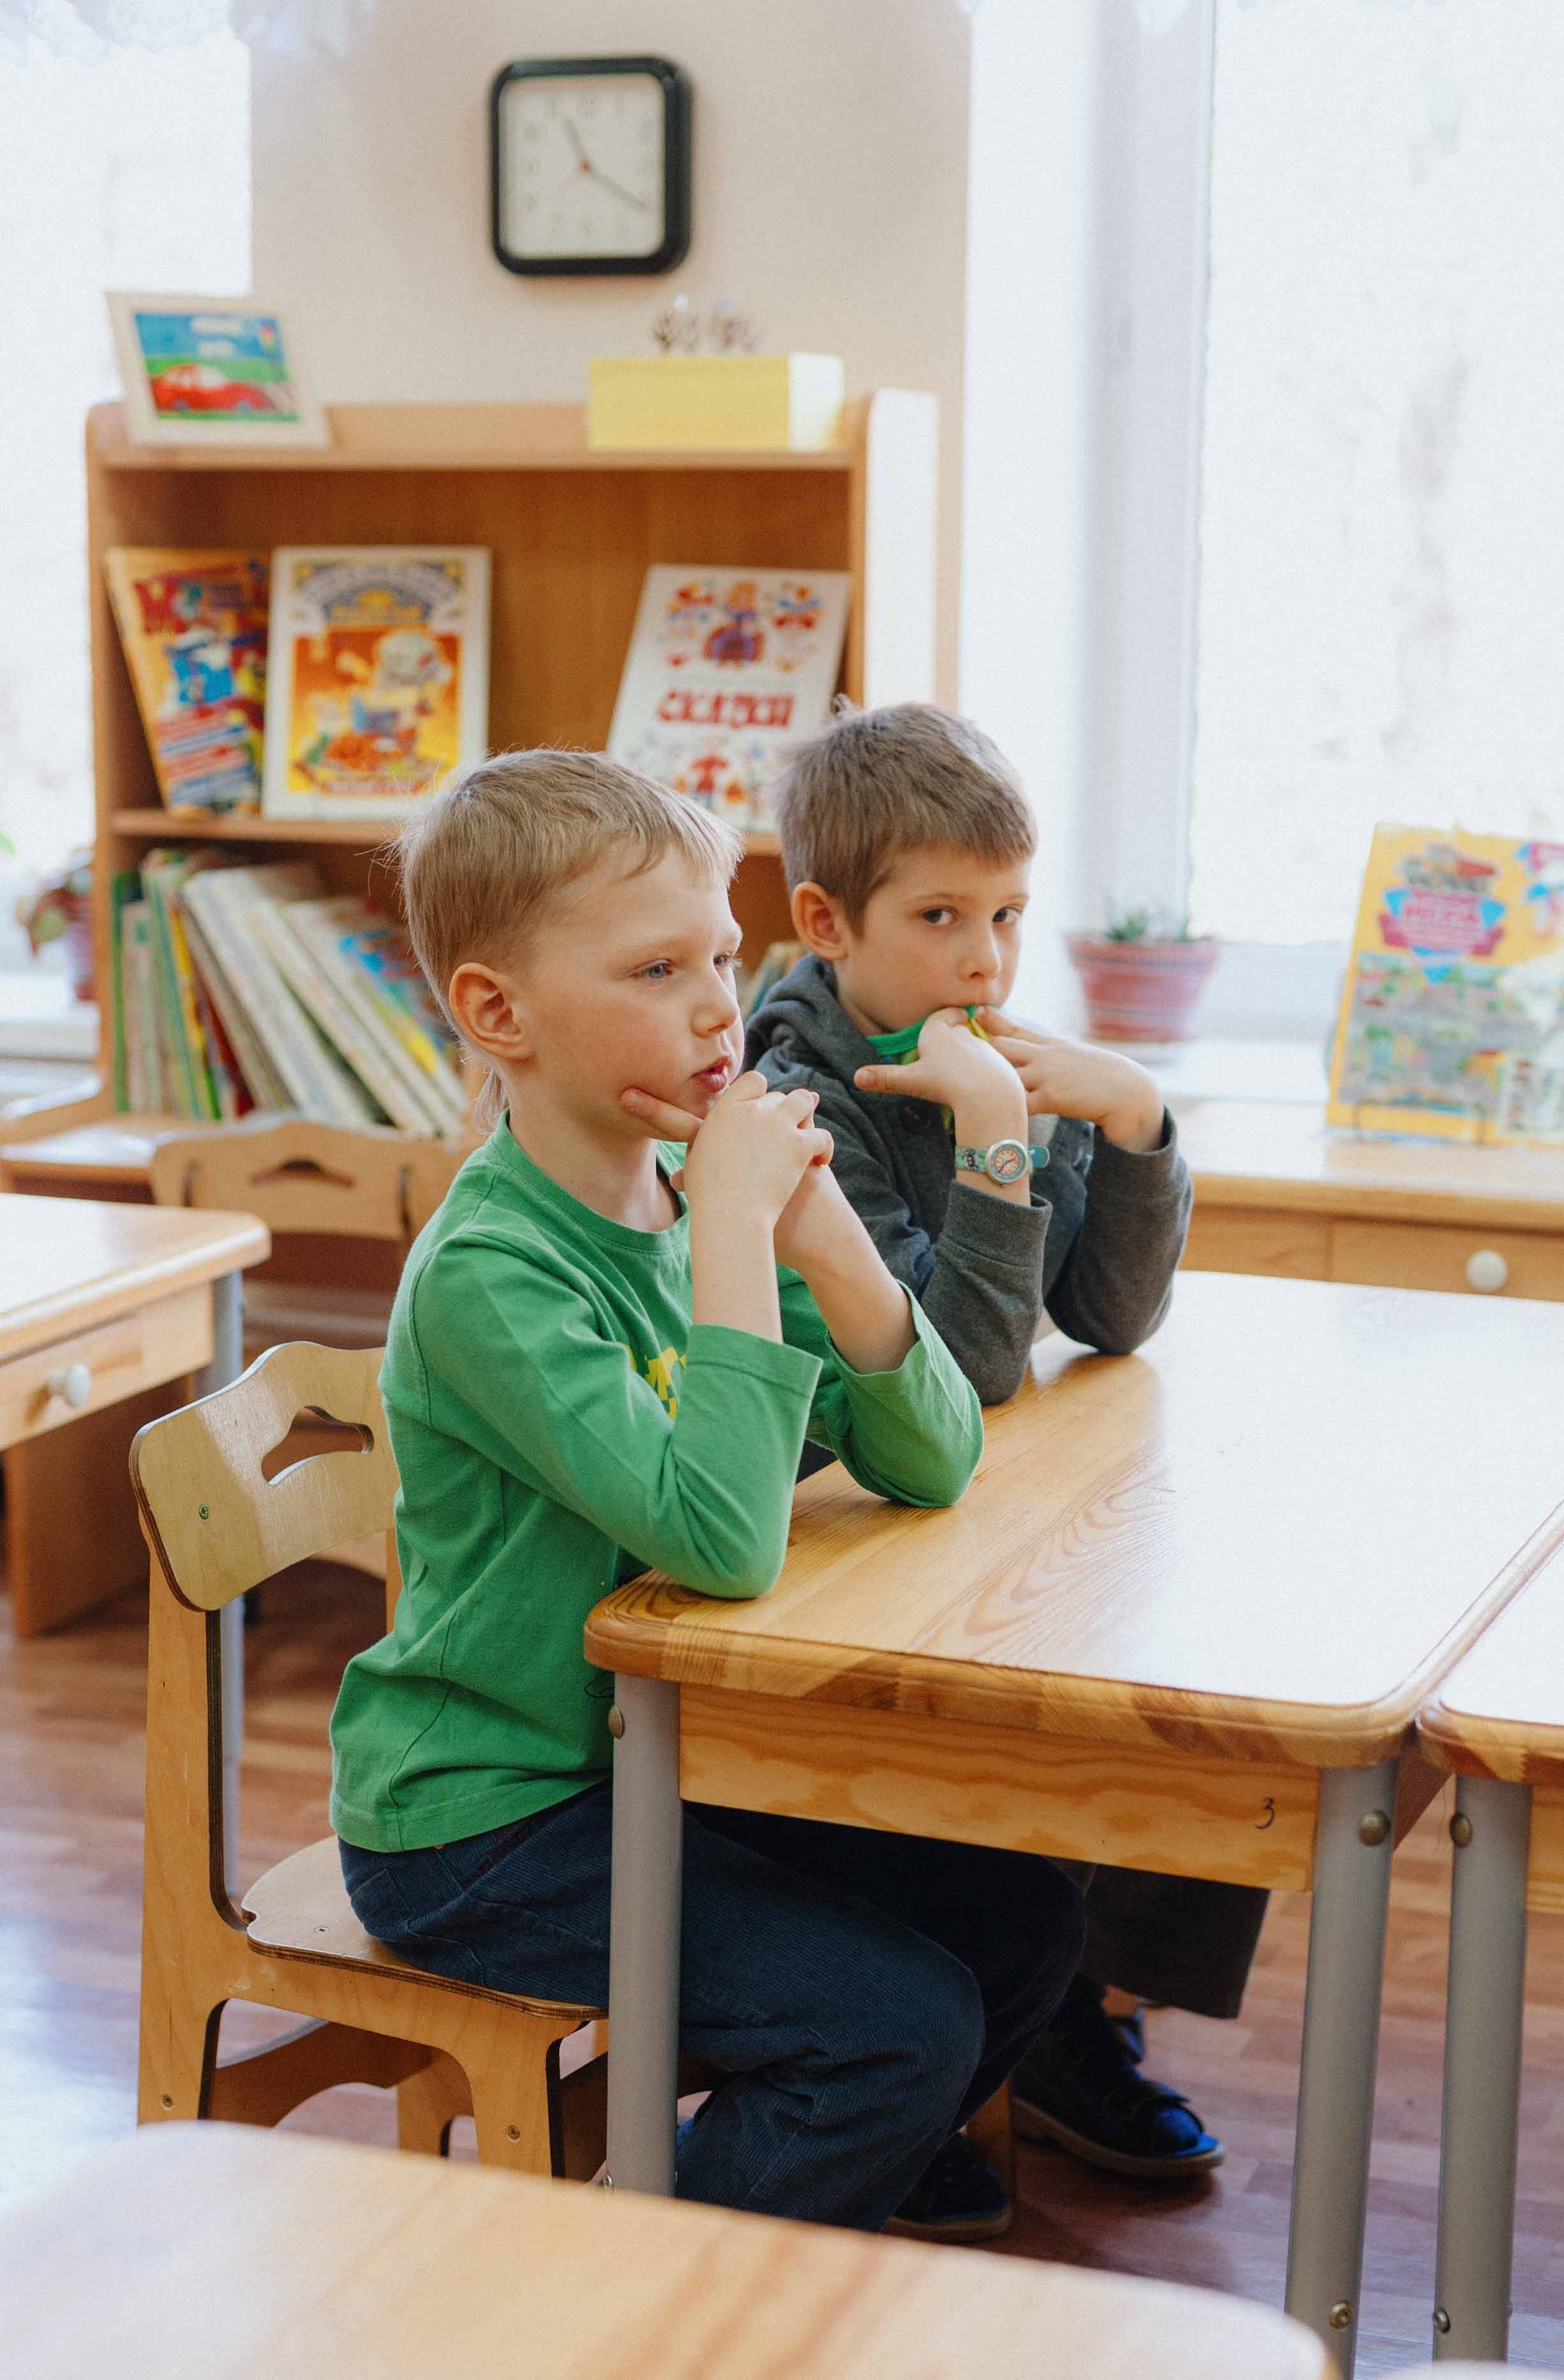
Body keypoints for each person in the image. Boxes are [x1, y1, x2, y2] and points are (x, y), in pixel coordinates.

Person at [329, 747, 1085, 2231]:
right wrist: (742, 1233)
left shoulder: (682, 1190)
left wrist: (832, 1246)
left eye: (725, 955)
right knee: (894, 2027)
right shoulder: (495, 1271)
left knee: (1025, 1913)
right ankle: (644, 2288)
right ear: (499, 1014)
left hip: (654, 1758)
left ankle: (822, 2191)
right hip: (484, 1820)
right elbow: (724, 1542)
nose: (717, 1005)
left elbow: (935, 1457)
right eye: (658, 966)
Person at [701, 702, 1266, 2227]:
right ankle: (982, 2043)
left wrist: (1135, 1120)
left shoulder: (988, 1041)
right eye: (940, 917)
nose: (985, 961)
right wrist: (1006, 1140)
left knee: (1210, 1655)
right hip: (842, 1533)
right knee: (1037, 1726)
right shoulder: (795, 1082)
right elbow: (971, 1363)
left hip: (964, 1493)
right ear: (825, 921)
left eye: (1009, 915)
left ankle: (1070, 2006)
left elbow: (1114, 1314)